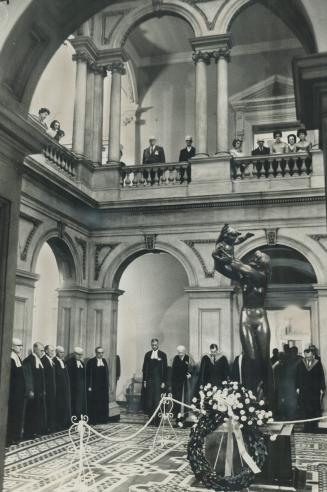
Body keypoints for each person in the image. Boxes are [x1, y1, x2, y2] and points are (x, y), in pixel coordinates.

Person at [213, 225, 273, 400]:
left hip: (261, 317)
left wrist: (222, 253)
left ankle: (266, 395)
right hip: (246, 316)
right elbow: (222, 269)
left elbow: (236, 264)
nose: (254, 258)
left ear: (263, 263)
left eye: (257, 257)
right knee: (251, 356)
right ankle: (249, 393)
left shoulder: (260, 276)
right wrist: (218, 256)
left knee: (264, 357)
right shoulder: (244, 277)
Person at [296, 348, 325, 432]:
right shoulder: (301, 364)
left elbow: (321, 377)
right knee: (305, 409)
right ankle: (306, 427)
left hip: (314, 391)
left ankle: (314, 427)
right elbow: (297, 376)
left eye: (309, 357)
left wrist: (322, 388)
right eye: (306, 357)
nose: (307, 358)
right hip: (304, 391)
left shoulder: (318, 364)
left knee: (314, 409)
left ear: (313, 355)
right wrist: (297, 387)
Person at [23, 342, 47, 439]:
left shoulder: (39, 360)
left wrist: (44, 389)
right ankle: (28, 433)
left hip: (39, 392)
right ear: (35, 349)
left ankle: (36, 431)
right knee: (30, 412)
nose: (42, 352)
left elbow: (42, 377)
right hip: (33, 392)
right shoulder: (28, 360)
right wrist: (30, 390)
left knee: (38, 412)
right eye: (41, 350)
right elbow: (27, 377)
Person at [142, 338, 167, 424]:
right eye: (153, 345)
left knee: (157, 400)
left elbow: (165, 370)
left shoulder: (163, 355)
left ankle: (157, 420)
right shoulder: (147, 355)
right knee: (149, 400)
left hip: (158, 381)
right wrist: (145, 381)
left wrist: (164, 381)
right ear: (151, 345)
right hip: (149, 380)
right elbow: (144, 369)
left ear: (158, 344)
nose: (154, 346)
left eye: (155, 345)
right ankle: (151, 419)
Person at [6, 338, 25, 445]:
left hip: (19, 393)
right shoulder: (10, 358)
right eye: (18, 346)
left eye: (21, 345)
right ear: (12, 346)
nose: (20, 347)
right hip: (13, 393)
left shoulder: (17, 357)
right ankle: (8, 438)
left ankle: (15, 436)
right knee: (11, 415)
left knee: (17, 414)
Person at [274, 349, 299, 420]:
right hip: (288, 389)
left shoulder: (280, 367)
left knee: (288, 407)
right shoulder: (285, 366)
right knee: (289, 408)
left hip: (287, 389)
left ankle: (289, 419)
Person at [86, 346, 109, 424]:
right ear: (96, 353)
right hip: (94, 387)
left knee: (103, 403)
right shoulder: (91, 362)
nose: (101, 355)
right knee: (95, 403)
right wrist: (89, 386)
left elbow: (106, 374)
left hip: (103, 387)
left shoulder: (104, 361)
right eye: (99, 353)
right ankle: (94, 420)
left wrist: (107, 385)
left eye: (102, 353)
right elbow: (88, 375)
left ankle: (102, 419)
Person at [171, 345, 195, 418]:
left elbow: (193, 368)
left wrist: (190, 374)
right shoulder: (176, 358)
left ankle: (184, 417)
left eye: (181, 352)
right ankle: (177, 418)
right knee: (177, 399)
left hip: (185, 383)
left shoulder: (188, 358)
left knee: (185, 400)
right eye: (179, 352)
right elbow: (173, 370)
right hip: (177, 382)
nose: (180, 354)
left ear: (184, 352)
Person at [53, 346, 71, 430]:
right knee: (59, 406)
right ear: (56, 352)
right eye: (60, 352)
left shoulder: (63, 361)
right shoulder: (54, 361)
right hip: (59, 388)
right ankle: (58, 424)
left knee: (64, 405)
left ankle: (64, 423)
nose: (62, 354)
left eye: (63, 352)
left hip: (65, 388)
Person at [66, 347, 87, 418]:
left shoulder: (81, 363)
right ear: (74, 354)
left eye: (81, 355)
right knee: (74, 403)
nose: (80, 356)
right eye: (78, 354)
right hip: (73, 388)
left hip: (81, 388)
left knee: (80, 403)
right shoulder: (69, 362)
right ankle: (74, 418)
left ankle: (80, 417)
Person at [41, 345, 56, 433]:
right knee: (47, 408)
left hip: (52, 389)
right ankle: (46, 428)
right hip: (47, 389)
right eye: (51, 351)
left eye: (53, 351)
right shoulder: (44, 360)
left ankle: (50, 427)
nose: (53, 352)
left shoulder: (50, 360)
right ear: (46, 351)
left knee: (51, 408)